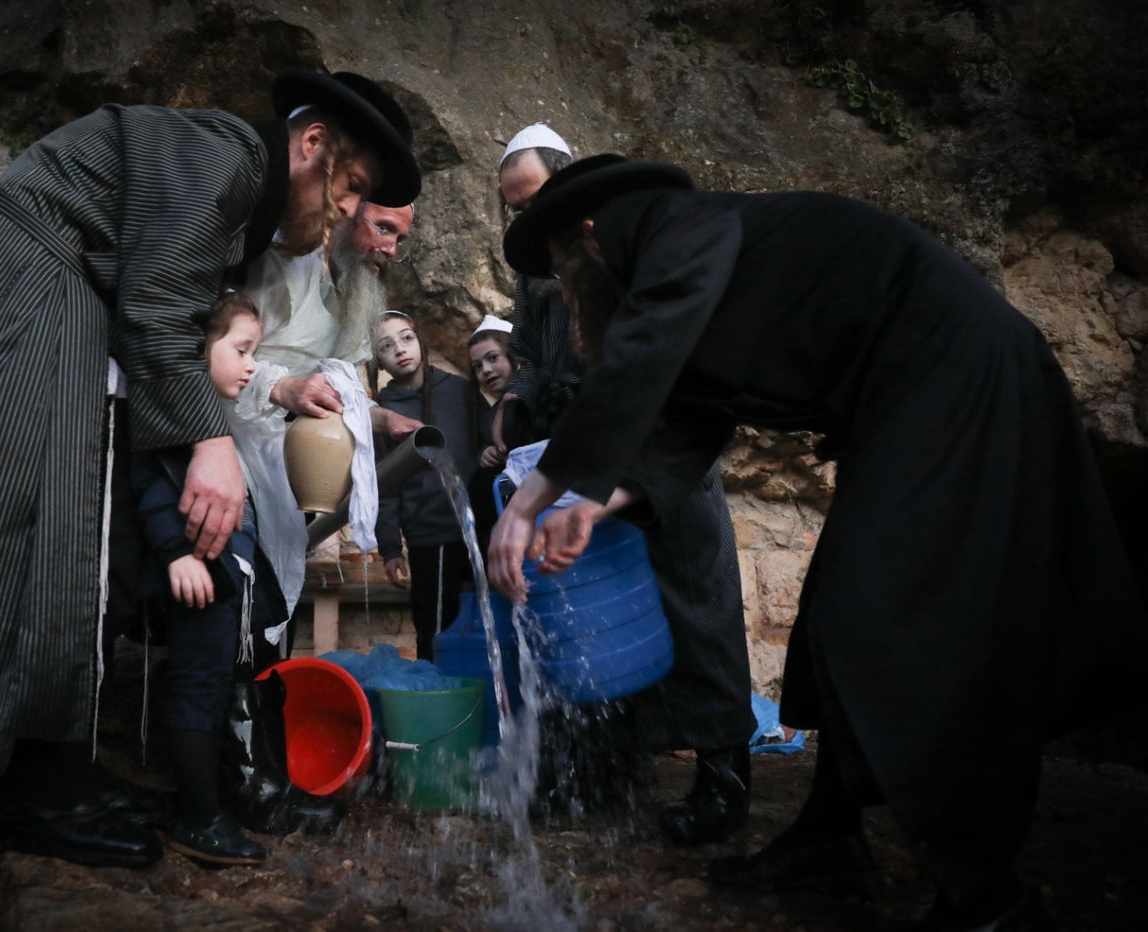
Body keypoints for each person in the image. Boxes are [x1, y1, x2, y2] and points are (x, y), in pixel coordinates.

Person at [490, 154, 1148, 928]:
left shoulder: (673, 226)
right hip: (911, 400)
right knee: (840, 616)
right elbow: (694, 415)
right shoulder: (686, 271)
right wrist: (599, 504)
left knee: (909, 626)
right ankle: (830, 837)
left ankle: (986, 891)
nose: (571, 299)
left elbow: (648, 344)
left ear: (595, 235)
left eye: (567, 275)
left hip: (957, 381)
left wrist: (534, 497)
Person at [0, 69, 420, 868]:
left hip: (53, 294)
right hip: (31, 291)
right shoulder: (226, 153)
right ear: (311, 146)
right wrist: (212, 446)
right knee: (53, 524)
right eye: (352, 187)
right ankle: (33, 792)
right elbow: (159, 306)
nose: (345, 211)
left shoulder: (222, 180)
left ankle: (59, 771)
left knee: (85, 529)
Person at [496, 124, 755, 833]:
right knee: (597, 616)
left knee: (695, 601)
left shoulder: (624, 254)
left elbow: (641, 359)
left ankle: (723, 780)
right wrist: (518, 399)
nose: (524, 219)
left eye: (533, 202)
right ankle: (609, 769)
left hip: (664, 444)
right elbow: (527, 355)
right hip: (575, 457)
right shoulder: (536, 274)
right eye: (512, 209)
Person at [231, 198, 423, 663]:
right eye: (383, 228)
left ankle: (259, 721)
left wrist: (382, 420)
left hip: (289, 472)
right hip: (227, 458)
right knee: (237, 612)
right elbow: (211, 352)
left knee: (275, 616)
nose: (392, 248)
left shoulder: (354, 295)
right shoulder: (277, 265)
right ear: (345, 214)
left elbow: (342, 394)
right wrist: (283, 387)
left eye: (400, 238)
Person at [129, 292, 271, 866]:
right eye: (241, 350)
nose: (251, 366)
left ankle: (222, 799)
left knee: (221, 689)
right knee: (197, 690)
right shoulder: (167, 422)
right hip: (197, 578)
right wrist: (175, 554)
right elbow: (150, 486)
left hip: (224, 583)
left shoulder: (207, 420)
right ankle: (198, 816)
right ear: (198, 349)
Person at [368, 311, 478, 662]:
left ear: (420, 340)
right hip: (429, 537)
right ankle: (439, 708)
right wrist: (390, 548)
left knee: (482, 627)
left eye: (406, 338)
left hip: (479, 532)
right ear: (377, 359)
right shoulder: (383, 412)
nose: (400, 350)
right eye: (387, 346)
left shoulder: (460, 391)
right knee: (434, 633)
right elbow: (383, 483)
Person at [465, 315, 518, 554]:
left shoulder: (535, 398)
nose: (486, 370)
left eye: (493, 358)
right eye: (478, 366)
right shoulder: (490, 413)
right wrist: (485, 453)